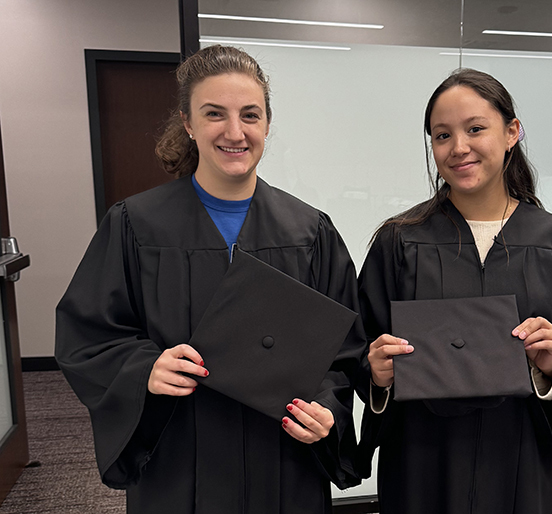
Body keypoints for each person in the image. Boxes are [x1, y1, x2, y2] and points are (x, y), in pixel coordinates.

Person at [55, 45, 363, 514]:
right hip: (179, 458)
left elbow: (342, 352)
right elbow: (88, 336)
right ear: (188, 122)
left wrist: (326, 410)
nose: (234, 132)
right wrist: (145, 370)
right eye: (214, 113)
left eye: (250, 115)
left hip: (282, 458)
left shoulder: (309, 231)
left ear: (267, 123)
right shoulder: (136, 226)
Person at [356, 69, 552, 513]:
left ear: (511, 132)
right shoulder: (400, 242)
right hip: (422, 454)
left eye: (475, 129)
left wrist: (551, 364)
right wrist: (375, 373)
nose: (459, 148)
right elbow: (359, 347)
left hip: (519, 450)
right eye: (442, 135)